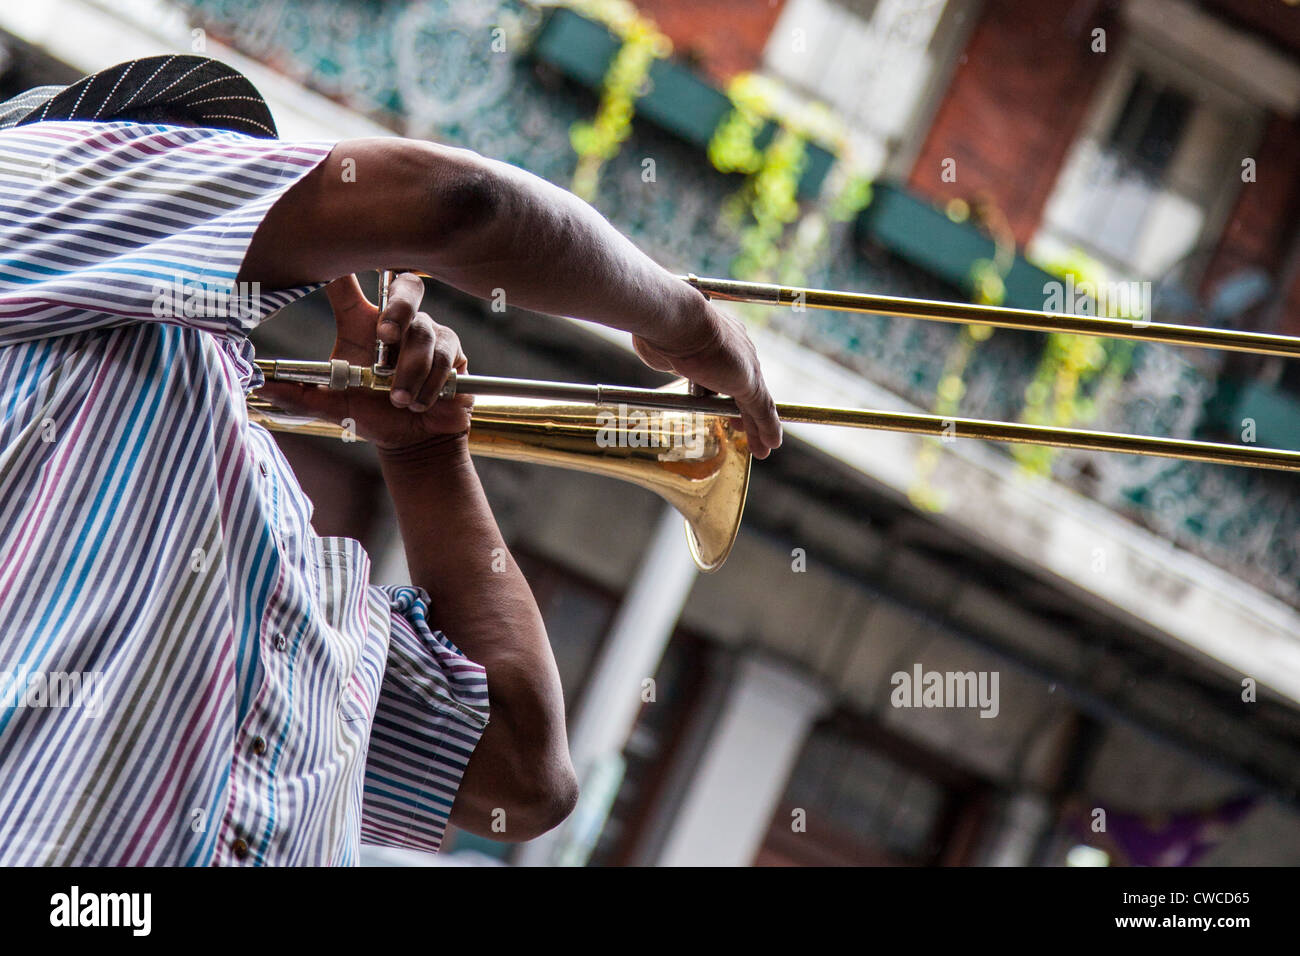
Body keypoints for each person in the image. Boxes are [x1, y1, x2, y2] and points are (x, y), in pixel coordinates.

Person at [0, 55, 781, 865]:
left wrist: (427, 453)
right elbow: (458, 204)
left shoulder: (258, 532)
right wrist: (689, 324)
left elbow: (523, 779)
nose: (217, 173)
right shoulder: (21, 187)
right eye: (165, 152)